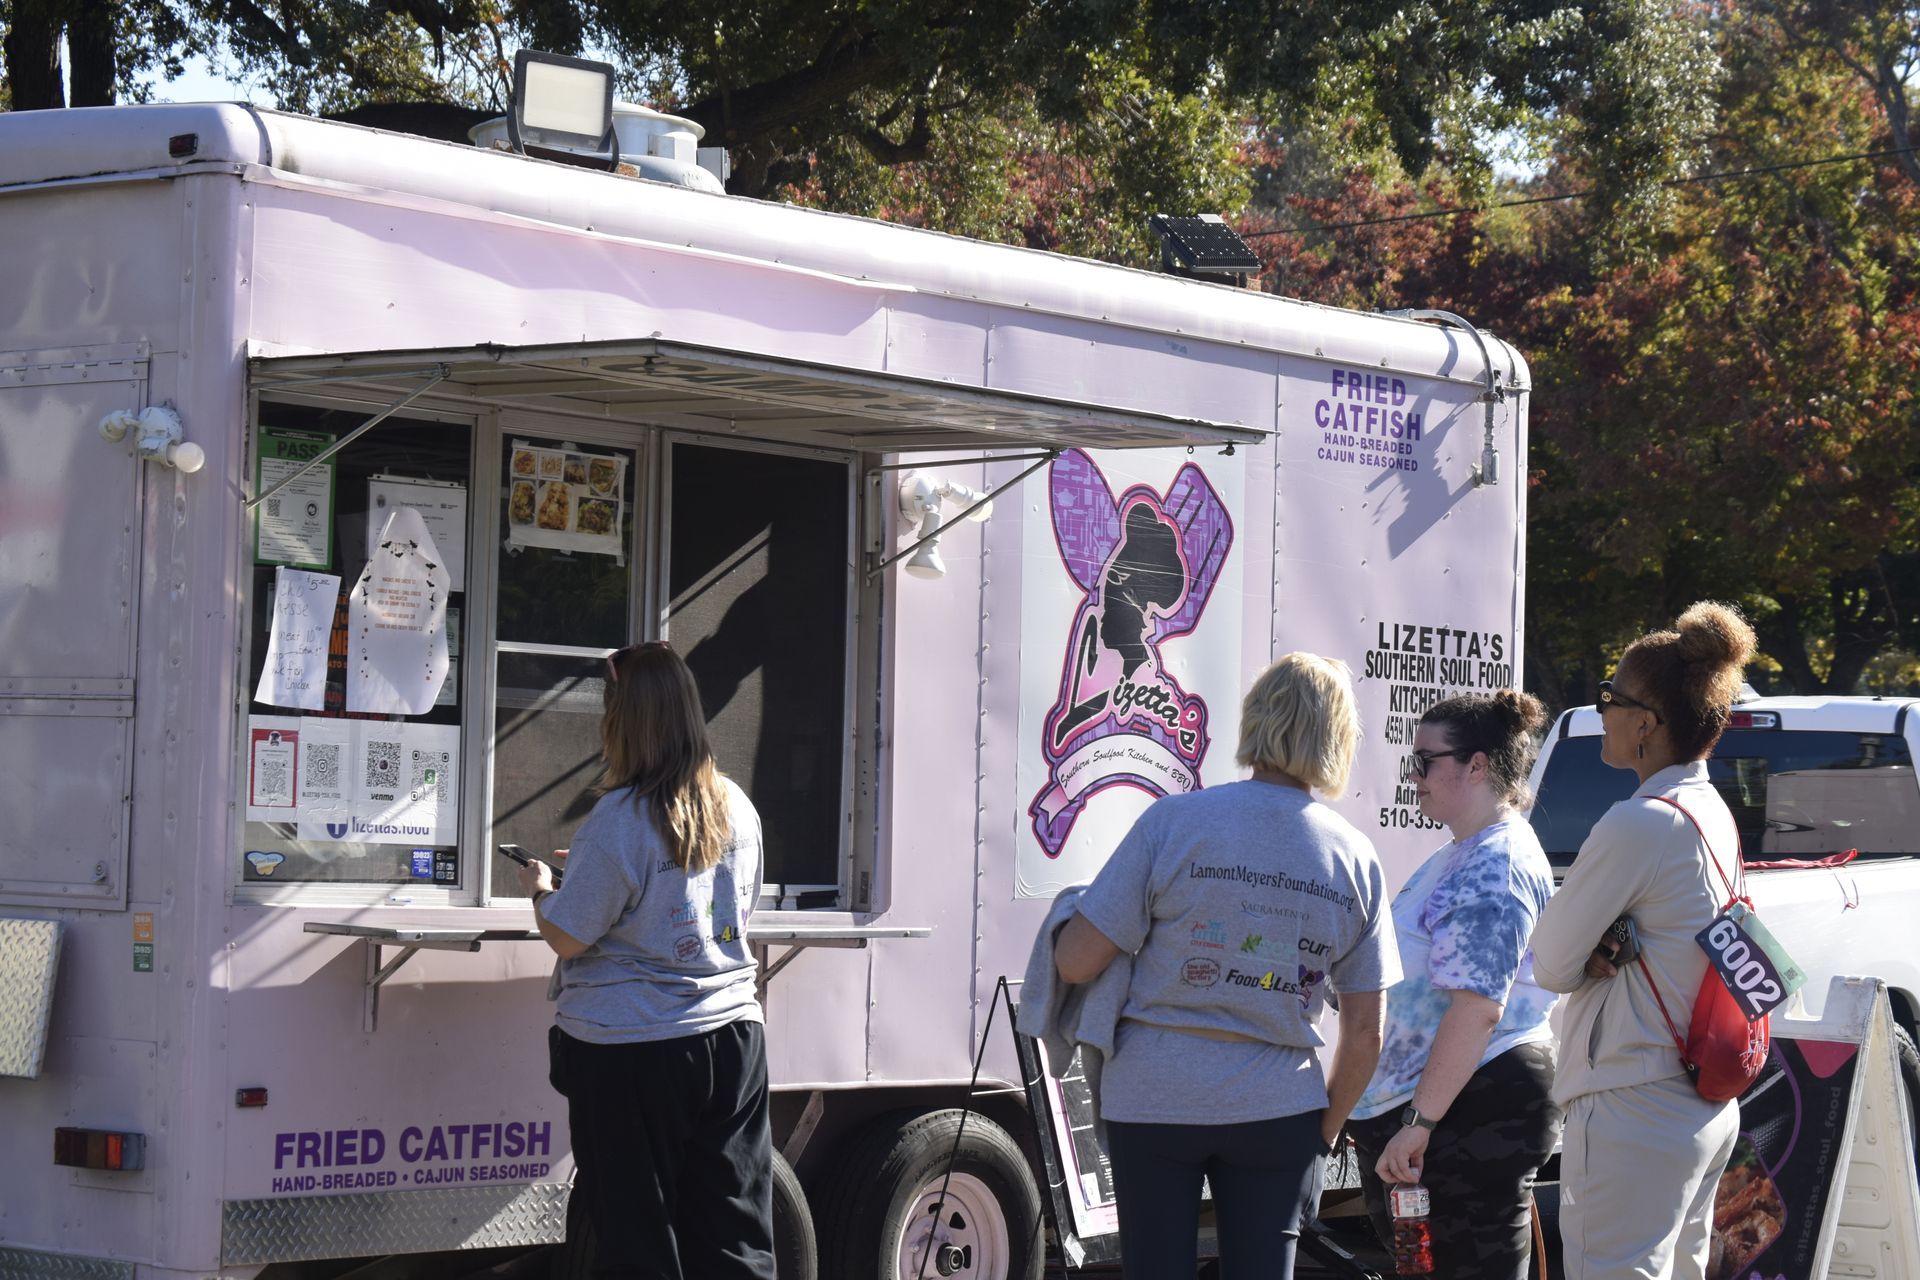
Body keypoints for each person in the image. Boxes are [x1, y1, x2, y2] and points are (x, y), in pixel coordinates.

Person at [1052, 652, 1400, 1279]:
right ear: (1338, 740)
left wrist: (1074, 914)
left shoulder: (1174, 821)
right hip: (1278, 1106)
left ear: (1256, 720)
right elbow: (1366, 1033)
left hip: (1155, 1097)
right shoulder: (1354, 857)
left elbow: (1076, 963)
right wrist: (1321, 1135)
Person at [521, 641, 774, 1280]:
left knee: (639, 1243)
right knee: (735, 1236)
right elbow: (731, 908)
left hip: (633, 1048)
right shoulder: (737, 806)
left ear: (621, 720)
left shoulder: (618, 819)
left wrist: (543, 892)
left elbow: (568, 937)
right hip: (733, 1037)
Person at [1529, 602, 1757, 1280]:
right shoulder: (1710, 810)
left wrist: (1596, 944)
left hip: (1633, 1102)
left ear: (1646, 724)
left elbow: (1550, 963)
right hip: (1703, 1099)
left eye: (1610, 697)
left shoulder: (1640, 823)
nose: (1602, 711)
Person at [1347, 690, 1562, 1279]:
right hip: (1450, 1109)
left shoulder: (1495, 862)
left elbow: (1477, 1009)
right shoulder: (1466, 851)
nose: (1414, 776)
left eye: (1425, 760)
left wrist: (1418, 1123)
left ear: (1477, 765)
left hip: (1469, 1111)